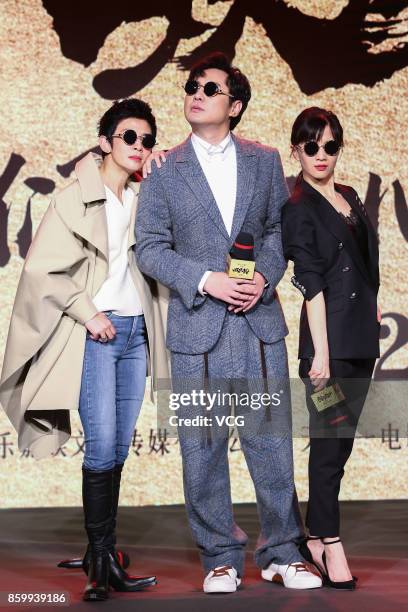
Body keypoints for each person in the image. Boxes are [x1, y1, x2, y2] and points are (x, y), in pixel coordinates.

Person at [135, 52, 321, 593]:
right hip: (198, 328)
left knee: (271, 444)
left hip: (258, 324)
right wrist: (204, 280)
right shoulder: (165, 169)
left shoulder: (264, 161)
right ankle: (219, 555)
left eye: (210, 89)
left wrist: (264, 277)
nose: (196, 93)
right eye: (192, 86)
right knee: (202, 446)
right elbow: (149, 248)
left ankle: (284, 553)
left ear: (234, 105)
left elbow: (274, 233)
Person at [0, 98, 169, 602]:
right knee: (100, 445)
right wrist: (87, 312)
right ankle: (100, 563)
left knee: (118, 447)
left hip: (137, 333)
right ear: (105, 142)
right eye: (129, 138)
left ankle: (105, 548)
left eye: (146, 139)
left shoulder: (143, 197)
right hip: (99, 335)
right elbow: (42, 269)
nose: (139, 147)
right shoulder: (75, 196)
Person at [281, 107, 380, 590]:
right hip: (326, 350)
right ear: (295, 150)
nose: (321, 155)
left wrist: (375, 307)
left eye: (329, 145)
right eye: (310, 146)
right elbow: (312, 286)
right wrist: (319, 355)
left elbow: (363, 262)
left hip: (362, 338)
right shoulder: (297, 206)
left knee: (341, 449)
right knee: (328, 445)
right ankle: (328, 541)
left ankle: (317, 533)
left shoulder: (348, 196)